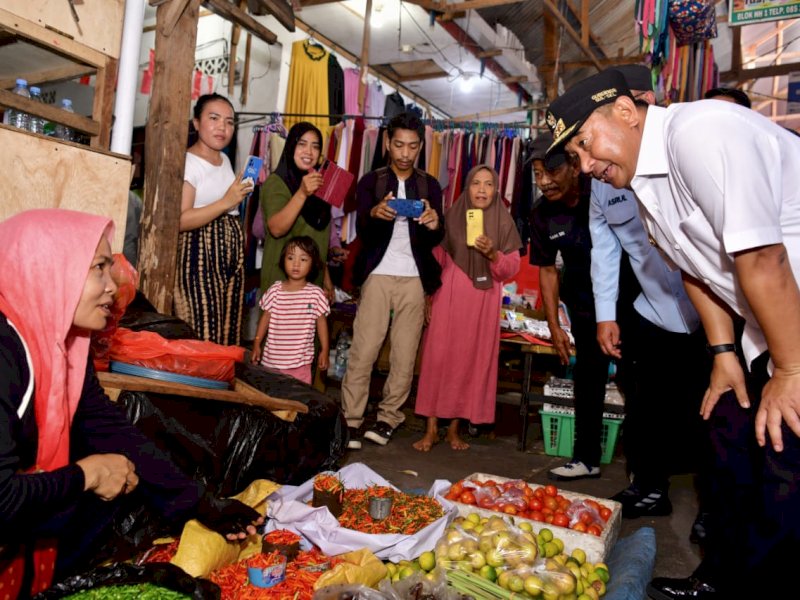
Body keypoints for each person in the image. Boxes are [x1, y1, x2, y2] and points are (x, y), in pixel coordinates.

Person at [545, 68, 800, 598]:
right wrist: (724, 352)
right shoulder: (644, 186)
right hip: (761, 330)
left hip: (791, 324)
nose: (585, 165)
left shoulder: (702, 132)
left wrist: (791, 370)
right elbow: (695, 271)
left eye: (586, 144)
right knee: (727, 439)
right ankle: (720, 576)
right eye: (575, 155)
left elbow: (764, 258)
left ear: (625, 112)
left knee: (783, 464)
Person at [0, 209, 263, 598]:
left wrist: (203, 504)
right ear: (50, 269)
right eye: (98, 268)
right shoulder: (5, 351)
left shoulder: (63, 345)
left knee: (119, 475)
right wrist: (86, 475)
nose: (112, 286)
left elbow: (108, 428)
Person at [589, 65, 712, 523]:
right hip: (652, 308)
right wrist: (605, 314)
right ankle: (648, 484)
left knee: (710, 410)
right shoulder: (603, 176)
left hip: (712, 306)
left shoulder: (682, 153)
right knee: (645, 404)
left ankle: (712, 506)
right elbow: (604, 246)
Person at [529, 133, 630, 481]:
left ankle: (645, 469)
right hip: (584, 306)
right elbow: (546, 270)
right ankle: (587, 458)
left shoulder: (601, 189)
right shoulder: (541, 214)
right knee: (588, 379)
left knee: (636, 380)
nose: (544, 181)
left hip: (627, 300)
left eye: (551, 171)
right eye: (537, 174)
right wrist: (554, 326)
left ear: (574, 166)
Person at [341, 111, 444, 450]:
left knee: (404, 353)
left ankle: (388, 418)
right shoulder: (372, 182)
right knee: (365, 349)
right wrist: (374, 214)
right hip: (378, 274)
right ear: (387, 143)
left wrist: (434, 224)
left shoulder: (430, 185)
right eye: (399, 145)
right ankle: (351, 419)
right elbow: (364, 231)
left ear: (420, 147)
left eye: (412, 146)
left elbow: (435, 237)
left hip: (414, 278)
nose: (405, 153)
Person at [412, 165, 522, 451]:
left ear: (496, 190)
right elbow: (435, 259)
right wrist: (428, 296)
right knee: (438, 357)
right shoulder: (452, 216)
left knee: (468, 360)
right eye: (476, 183)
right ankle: (431, 428)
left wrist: (493, 254)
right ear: (467, 187)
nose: (482, 189)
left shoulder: (504, 222)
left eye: (488, 184)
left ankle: (454, 429)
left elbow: (511, 268)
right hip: (447, 296)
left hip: (482, 301)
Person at [175, 93, 252, 346]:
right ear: (196, 123)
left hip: (229, 254)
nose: (223, 127)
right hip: (199, 252)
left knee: (228, 332)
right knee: (203, 329)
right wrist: (226, 202)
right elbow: (181, 220)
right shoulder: (188, 162)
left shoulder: (225, 160)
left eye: (229, 122)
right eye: (214, 118)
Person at [260, 121, 334, 302]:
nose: (309, 152)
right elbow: (276, 228)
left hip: (312, 281)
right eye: (302, 144)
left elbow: (316, 239)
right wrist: (301, 193)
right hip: (282, 285)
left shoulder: (318, 184)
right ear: (291, 146)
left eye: (315, 146)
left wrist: (326, 278)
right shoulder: (276, 183)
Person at [251, 236, 330, 385]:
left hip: (300, 365)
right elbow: (265, 318)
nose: (296, 264)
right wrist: (256, 343)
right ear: (283, 260)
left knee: (297, 398)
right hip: (271, 363)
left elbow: (321, 323)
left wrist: (325, 350)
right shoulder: (275, 290)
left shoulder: (315, 294)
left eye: (303, 259)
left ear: (312, 263)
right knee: (271, 397)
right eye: (290, 258)